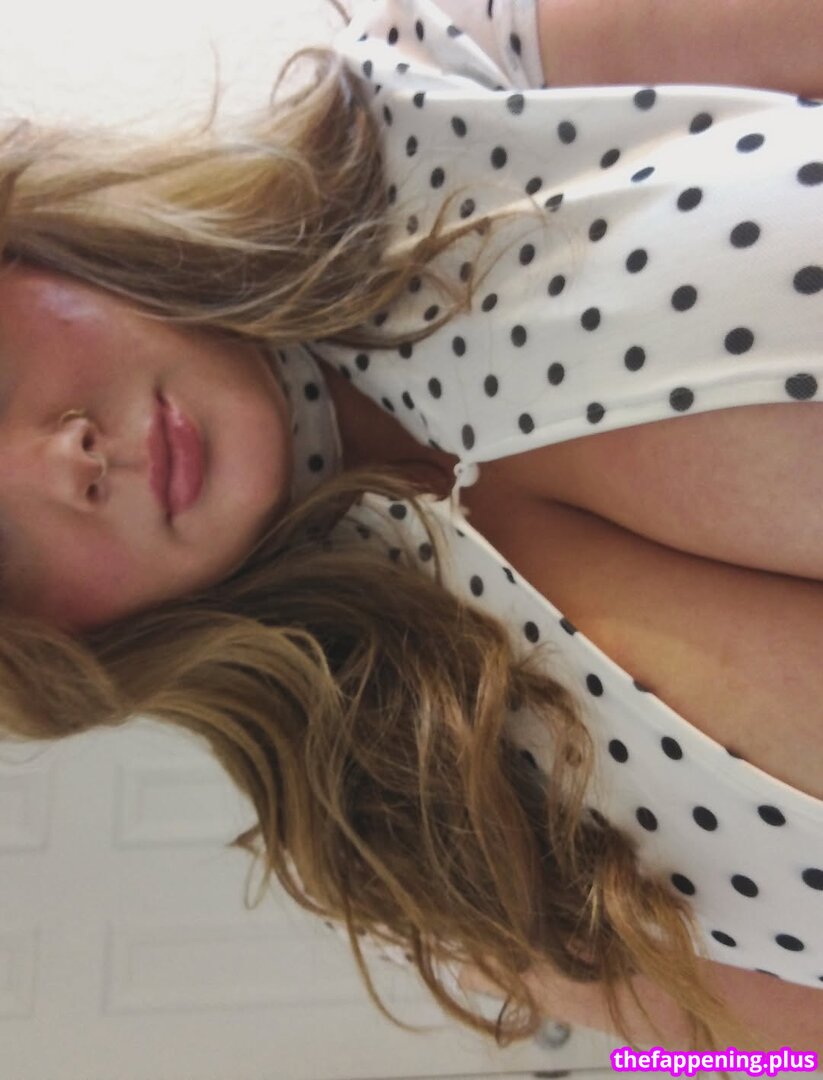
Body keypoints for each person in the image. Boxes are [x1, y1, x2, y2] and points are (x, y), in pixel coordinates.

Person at [0, 0, 820, 1058]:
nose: (62, 462)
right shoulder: (444, 863)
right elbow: (783, 1052)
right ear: (50, 646)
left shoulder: (437, 75)